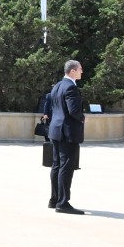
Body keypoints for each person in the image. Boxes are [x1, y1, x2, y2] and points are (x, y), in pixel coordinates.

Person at [46, 60, 86, 214]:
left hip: (55, 131)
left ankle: (54, 199)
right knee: (66, 166)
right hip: (67, 133)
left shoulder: (57, 86)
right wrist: (82, 117)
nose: (82, 71)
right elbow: (73, 110)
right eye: (80, 69)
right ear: (73, 71)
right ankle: (63, 203)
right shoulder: (70, 87)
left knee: (56, 165)